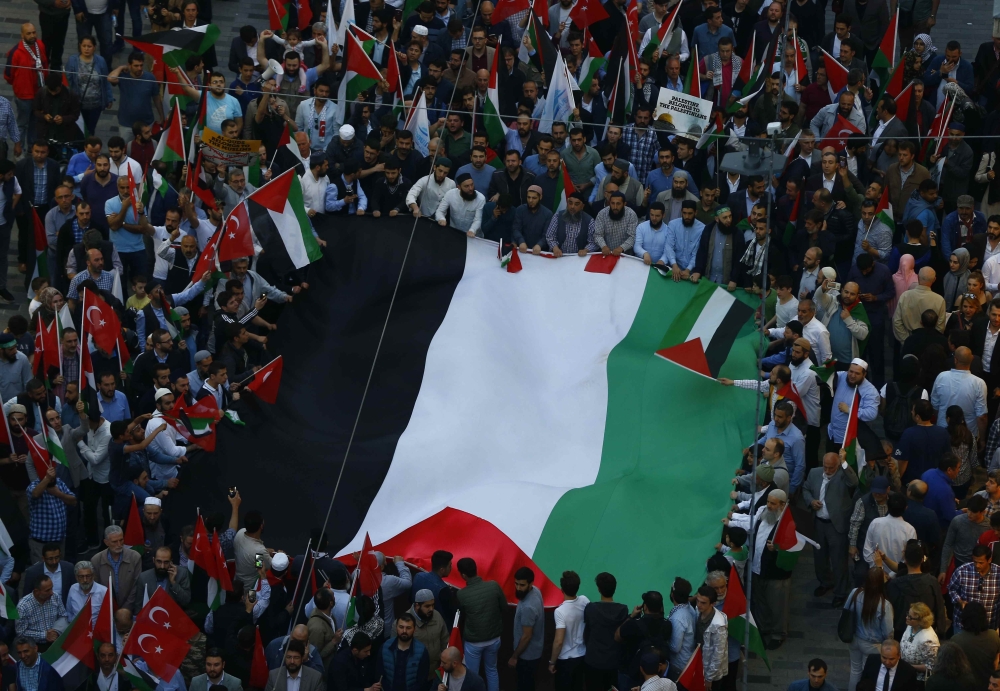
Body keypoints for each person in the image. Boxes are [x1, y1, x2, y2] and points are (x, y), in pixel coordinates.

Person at [804, 451, 858, 605]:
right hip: (819, 523)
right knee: (819, 558)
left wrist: (844, 462)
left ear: (838, 465)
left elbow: (854, 483)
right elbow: (806, 489)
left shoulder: (843, 474)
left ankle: (840, 592)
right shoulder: (814, 473)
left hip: (837, 525)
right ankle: (825, 582)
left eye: (831, 468)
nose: (827, 471)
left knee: (839, 561)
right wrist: (811, 501)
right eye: (825, 467)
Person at [455, 558, 505, 691]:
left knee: (472, 675)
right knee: (492, 670)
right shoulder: (494, 586)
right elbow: (504, 608)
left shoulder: (461, 594)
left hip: (474, 642)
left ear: (463, 575)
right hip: (494, 638)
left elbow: (462, 616)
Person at [844, 568, 895, 691]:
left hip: (854, 639)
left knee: (855, 671)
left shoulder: (855, 593)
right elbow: (888, 632)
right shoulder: (884, 605)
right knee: (869, 674)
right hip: (873, 646)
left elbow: (846, 612)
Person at [582, 572, 628, 691]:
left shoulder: (590, 608)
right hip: (613, 663)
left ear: (598, 589)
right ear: (615, 588)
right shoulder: (623, 610)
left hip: (593, 662)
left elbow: (586, 632)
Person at [549, 571, 588, 691]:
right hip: (582, 656)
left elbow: (558, 641)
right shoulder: (585, 601)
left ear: (562, 589)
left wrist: (552, 662)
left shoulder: (560, 611)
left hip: (565, 661)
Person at [947, 545, 1000, 632]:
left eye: (981, 562)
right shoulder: (962, 571)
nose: (977, 565)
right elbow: (951, 589)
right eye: (975, 562)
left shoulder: (998, 573)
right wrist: (960, 601)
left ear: (989, 560)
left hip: (989, 626)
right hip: (963, 625)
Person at [91, 524, 143, 611]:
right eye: (114, 542)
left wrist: (126, 608)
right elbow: (95, 588)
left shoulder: (135, 557)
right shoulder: (96, 560)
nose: (119, 544)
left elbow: (136, 586)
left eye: (121, 540)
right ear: (106, 542)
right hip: (105, 608)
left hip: (129, 609)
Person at [949, 601, 1000, 688]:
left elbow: (952, 669)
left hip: (964, 686)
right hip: (986, 685)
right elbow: (995, 664)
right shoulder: (994, 636)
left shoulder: (956, 640)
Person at [510, 566, 544, 691]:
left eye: (522, 585)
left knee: (524, 685)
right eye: (516, 584)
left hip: (526, 656)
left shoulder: (528, 607)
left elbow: (526, 636)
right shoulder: (536, 591)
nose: (518, 588)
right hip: (535, 651)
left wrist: (514, 656)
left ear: (531, 583)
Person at [377, 614, 429, 691]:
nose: (404, 631)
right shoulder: (385, 647)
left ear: (414, 629)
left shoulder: (421, 651)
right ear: (396, 628)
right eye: (401, 627)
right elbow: (379, 674)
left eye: (408, 628)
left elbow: (422, 681)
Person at [898, 601, 940, 685]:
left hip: (918, 681)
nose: (906, 617)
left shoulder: (929, 639)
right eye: (907, 614)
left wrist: (908, 666)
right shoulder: (910, 626)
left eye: (910, 617)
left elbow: (932, 666)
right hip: (905, 674)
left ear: (921, 620)